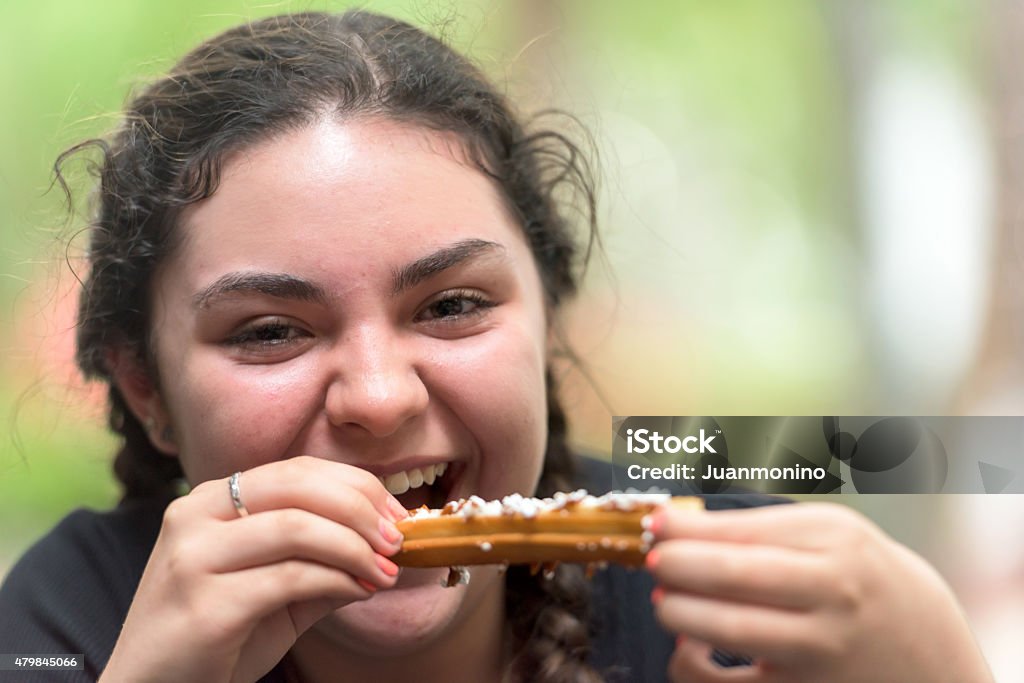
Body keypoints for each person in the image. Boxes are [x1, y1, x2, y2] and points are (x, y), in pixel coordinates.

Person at [0, 10, 994, 683]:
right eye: (269, 329)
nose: (380, 396)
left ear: (546, 325)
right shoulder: (67, 619)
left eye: (452, 304)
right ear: (148, 387)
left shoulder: (743, 598)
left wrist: (941, 658)